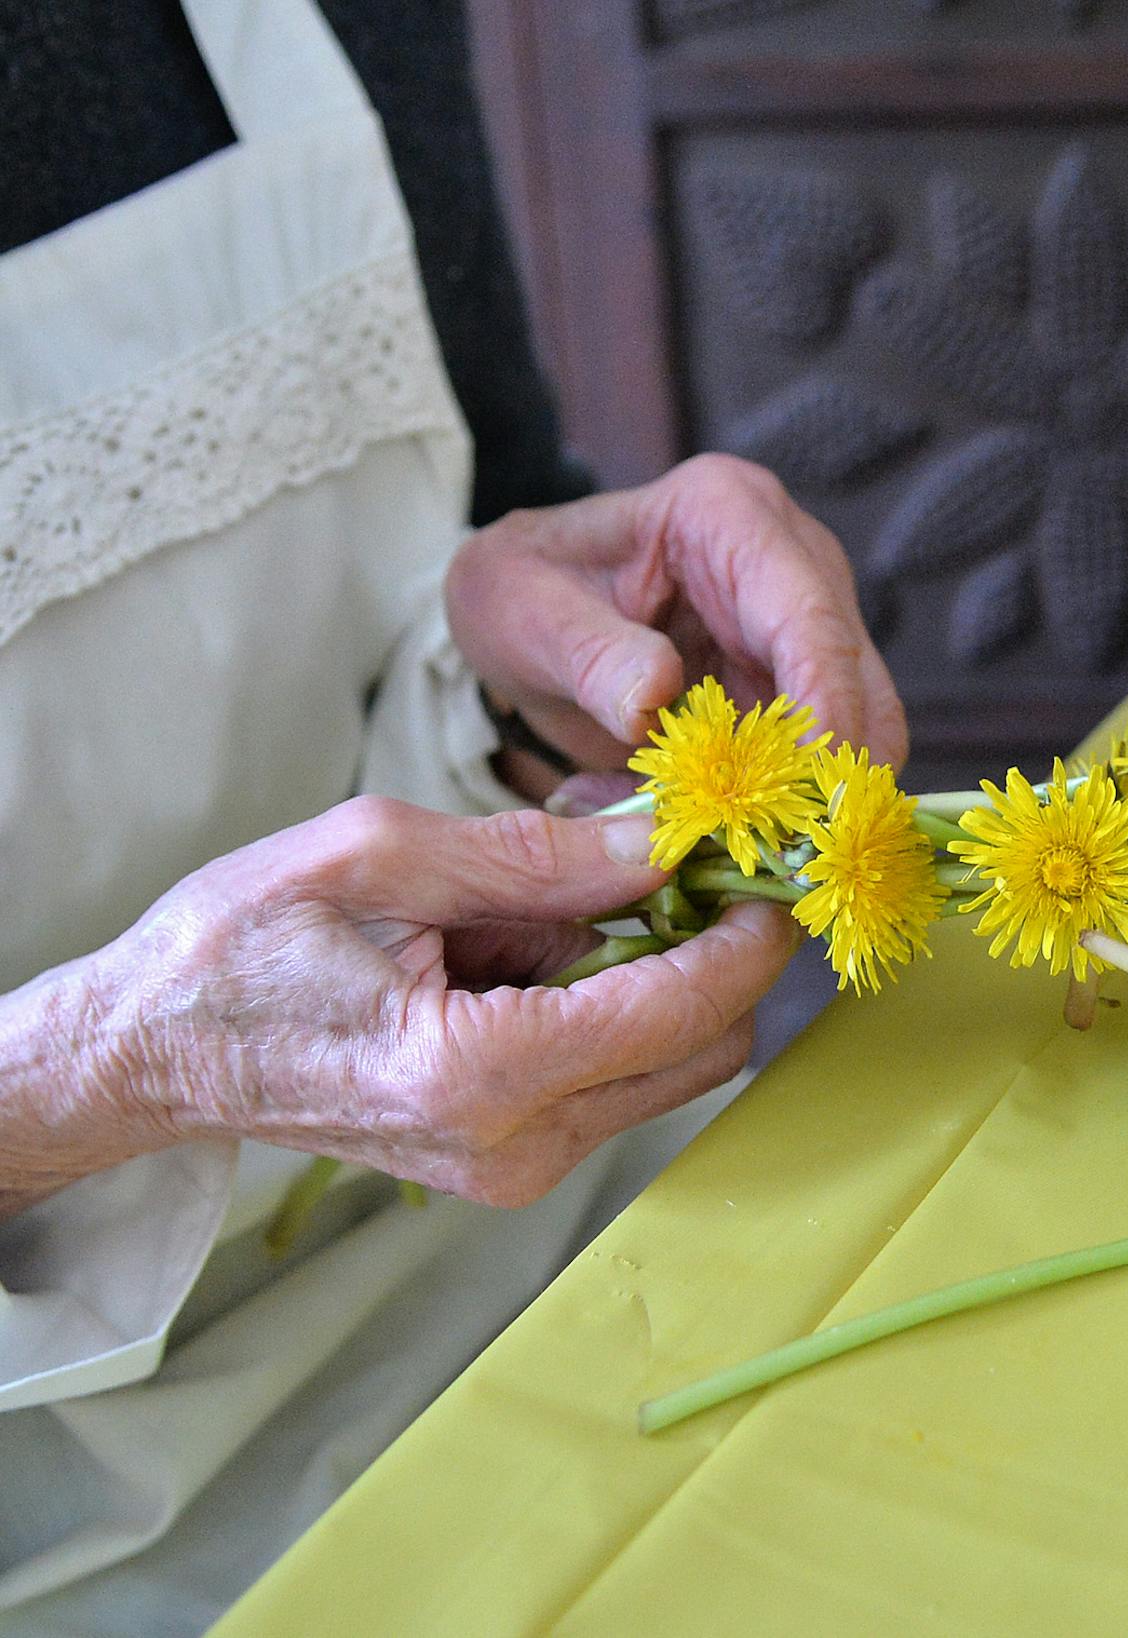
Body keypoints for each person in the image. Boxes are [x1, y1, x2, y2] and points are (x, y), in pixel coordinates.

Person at [0, 0, 903, 1627]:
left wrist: (529, 670)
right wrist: (104, 1071)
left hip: (606, 1227)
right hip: (112, 1538)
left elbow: (458, 518)